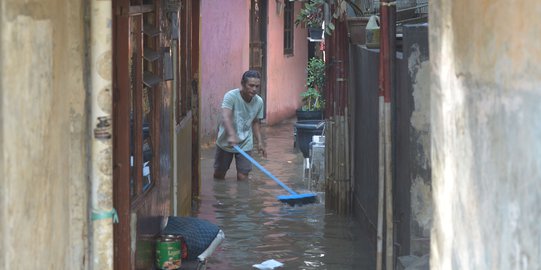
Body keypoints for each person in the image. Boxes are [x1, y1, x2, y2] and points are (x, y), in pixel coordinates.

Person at [213, 70, 267, 180]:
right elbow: (226, 116)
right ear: (243, 83)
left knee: (243, 176)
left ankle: (243, 197)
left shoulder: (259, 101)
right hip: (225, 141)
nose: (254, 89)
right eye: (251, 85)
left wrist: (260, 142)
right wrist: (232, 135)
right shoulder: (231, 96)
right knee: (219, 174)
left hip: (245, 142)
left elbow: (256, 122)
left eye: (257, 86)